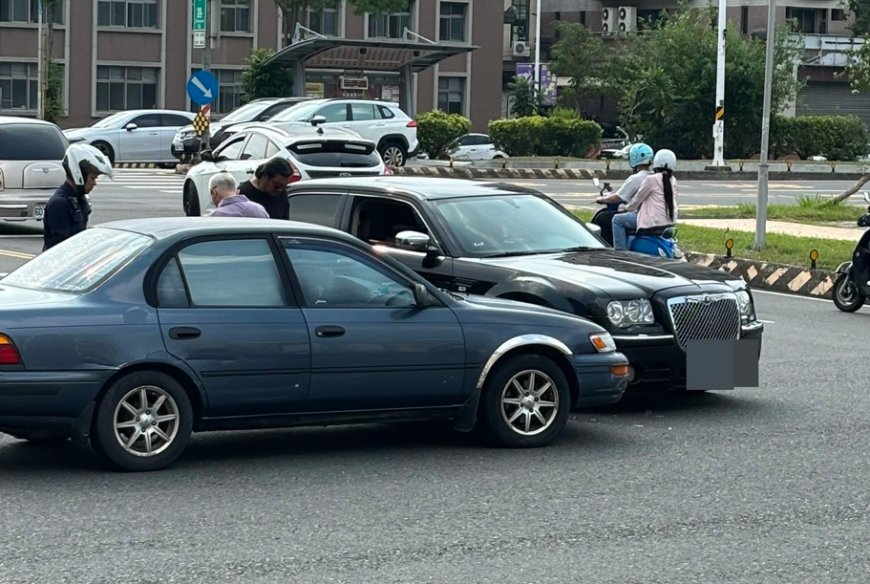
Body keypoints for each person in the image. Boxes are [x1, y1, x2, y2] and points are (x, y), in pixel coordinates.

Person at [43, 143, 113, 251]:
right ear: (79, 174)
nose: (94, 183)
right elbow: (60, 248)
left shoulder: (77, 199)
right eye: (92, 178)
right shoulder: (60, 203)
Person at [613, 148, 678, 250]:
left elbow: (637, 199)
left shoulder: (651, 179)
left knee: (617, 220)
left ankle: (620, 252)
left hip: (652, 222)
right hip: (669, 222)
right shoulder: (673, 180)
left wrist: (627, 208)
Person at [591, 143, 654, 245]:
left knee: (602, 217)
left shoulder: (636, 178)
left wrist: (601, 199)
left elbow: (616, 198)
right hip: (651, 215)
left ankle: (610, 249)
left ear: (634, 158)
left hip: (639, 215)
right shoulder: (654, 176)